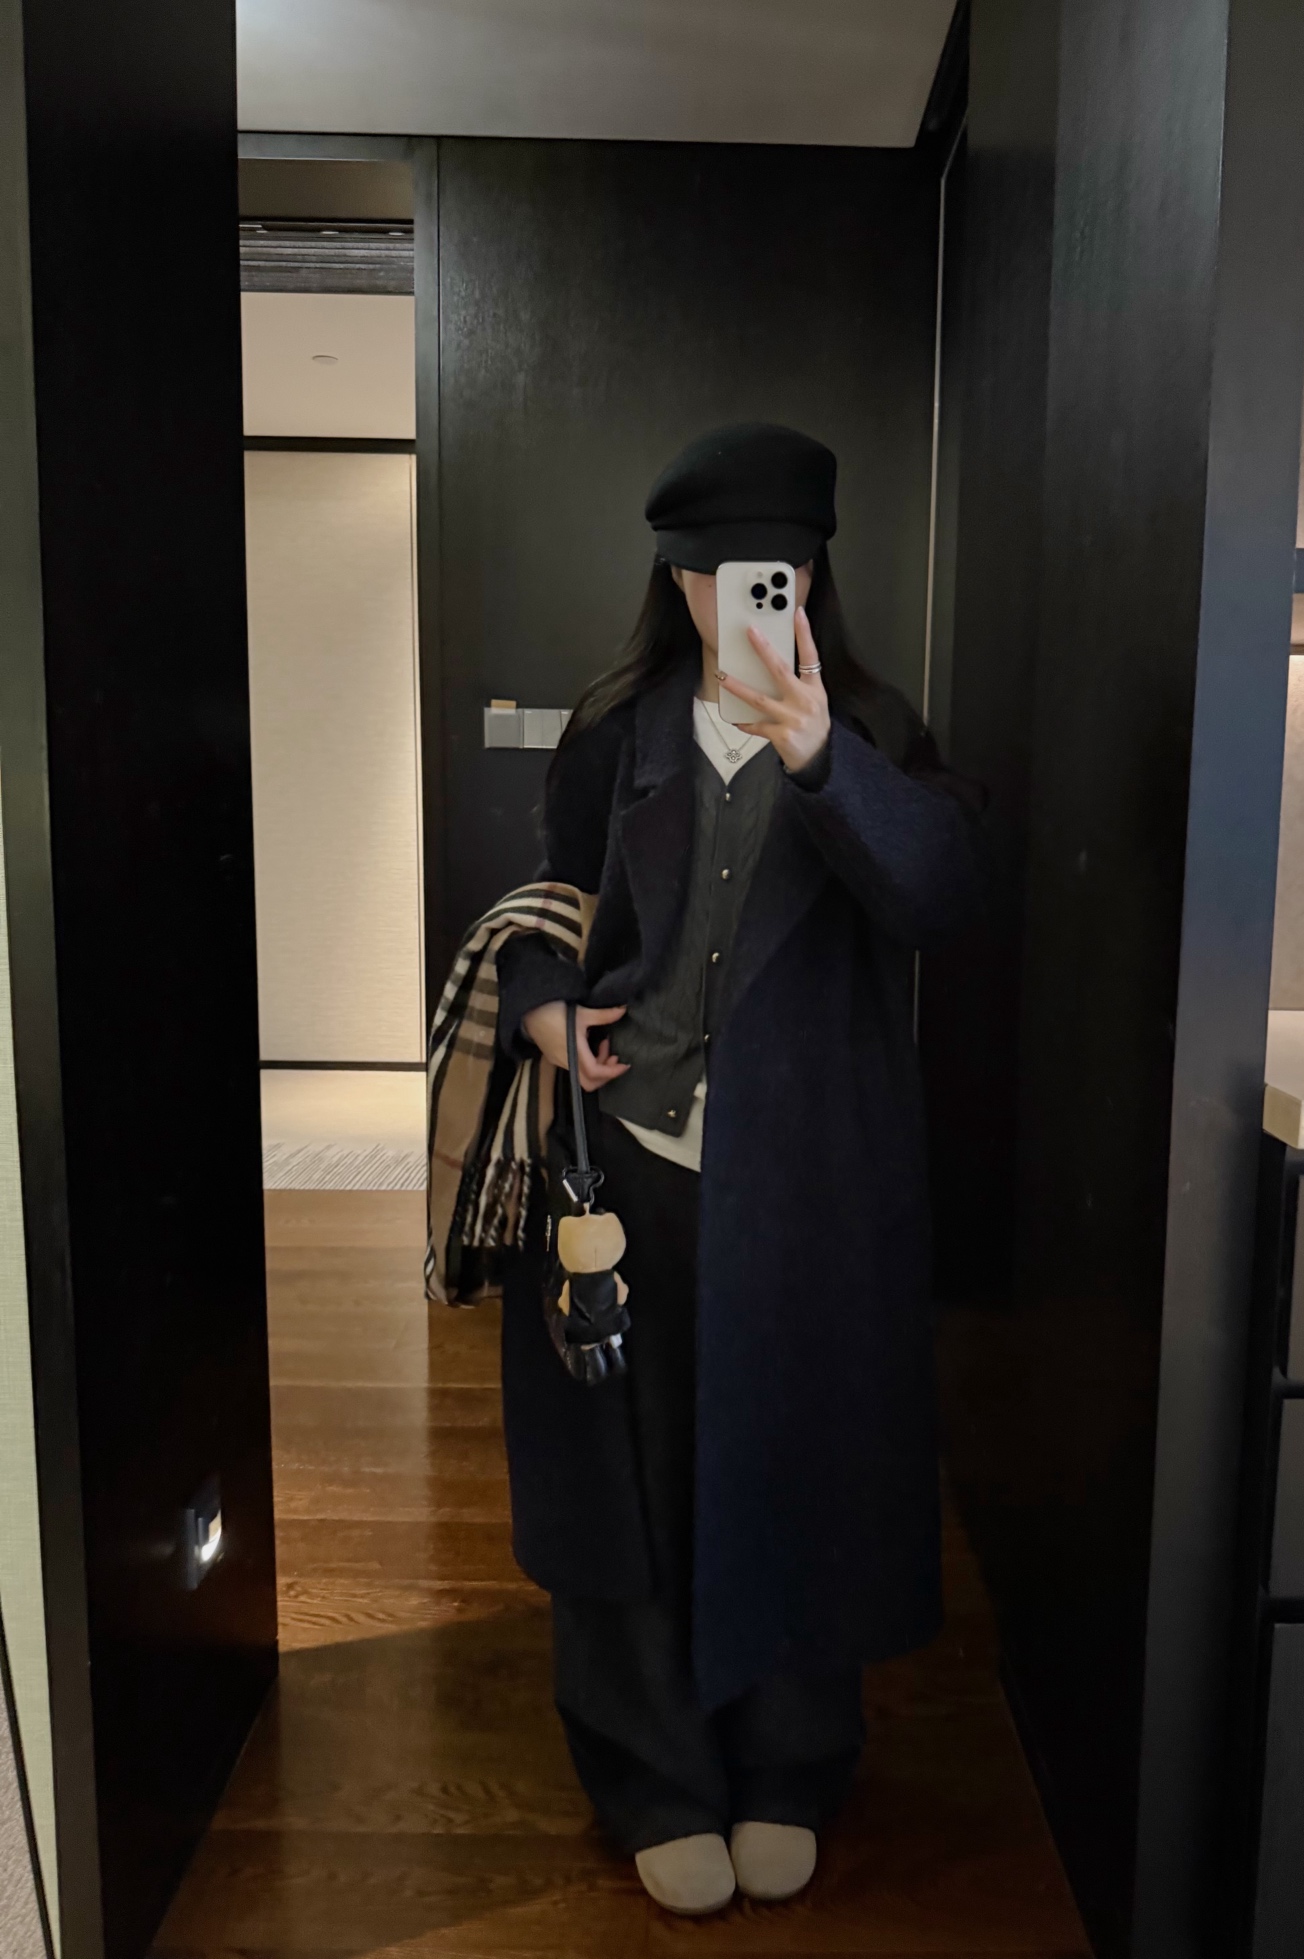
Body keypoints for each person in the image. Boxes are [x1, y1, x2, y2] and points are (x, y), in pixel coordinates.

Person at [494, 422, 981, 1915]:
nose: (745, 596)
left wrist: (822, 759)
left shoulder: (876, 730)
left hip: (811, 1180)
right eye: (716, 572)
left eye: (776, 570)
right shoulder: (616, 733)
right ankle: (650, 1774)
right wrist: (545, 1006)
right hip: (628, 1165)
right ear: (678, 579)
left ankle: (789, 1766)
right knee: (628, 1482)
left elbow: (940, 896)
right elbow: (547, 908)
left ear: (811, 579)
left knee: (797, 1461)